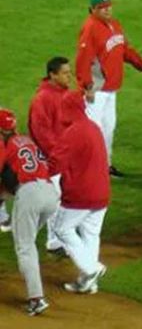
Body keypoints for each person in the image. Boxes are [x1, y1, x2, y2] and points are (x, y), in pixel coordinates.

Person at [75, 0, 142, 178]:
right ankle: (89, 170)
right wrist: (87, 86)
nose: (107, 9)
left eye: (108, 5)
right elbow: (83, 60)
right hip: (96, 90)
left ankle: (106, 167)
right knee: (93, 131)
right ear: (92, 10)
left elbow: (124, 50)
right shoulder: (90, 28)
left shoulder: (114, 25)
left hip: (111, 89)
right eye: (101, 7)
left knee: (108, 129)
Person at [49, 91, 110, 295]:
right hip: (101, 193)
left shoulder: (74, 131)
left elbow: (56, 163)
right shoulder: (93, 127)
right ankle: (87, 283)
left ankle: (91, 268)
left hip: (81, 195)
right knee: (90, 235)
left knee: (62, 228)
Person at [0, 108, 59, 316]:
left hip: (29, 194)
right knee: (27, 242)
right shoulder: (26, 140)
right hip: (51, 194)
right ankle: (31, 276)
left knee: (25, 246)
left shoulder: (2, 144)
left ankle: (37, 299)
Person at [28, 56, 71, 254]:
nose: (69, 76)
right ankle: (54, 241)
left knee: (62, 198)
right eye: (64, 73)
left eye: (69, 72)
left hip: (63, 155)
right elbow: (40, 131)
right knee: (55, 199)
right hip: (50, 158)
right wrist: (57, 154)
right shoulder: (43, 98)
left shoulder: (63, 93)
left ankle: (57, 235)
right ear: (52, 75)